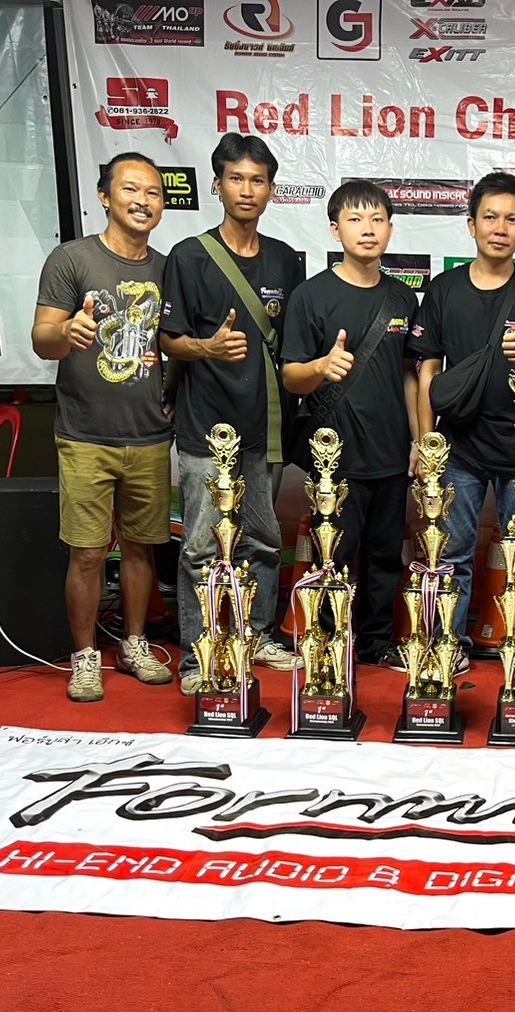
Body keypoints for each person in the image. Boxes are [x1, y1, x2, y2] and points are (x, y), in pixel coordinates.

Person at [161, 133, 306, 695]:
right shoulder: (190, 256)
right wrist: (208, 348)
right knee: (201, 547)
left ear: (271, 189)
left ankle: (259, 636)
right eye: (237, 179)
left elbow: (293, 344)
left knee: (264, 540)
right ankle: (198, 656)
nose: (247, 190)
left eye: (258, 180)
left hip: (266, 426)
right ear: (218, 186)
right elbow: (169, 338)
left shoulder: (285, 260)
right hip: (205, 426)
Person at [409, 172, 515, 669]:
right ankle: (448, 648)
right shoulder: (443, 289)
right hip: (458, 448)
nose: (500, 228)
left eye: (512, 220)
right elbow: (427, 370)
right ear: (471, 224)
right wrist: (425, 445)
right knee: (452, 553)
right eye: (491, 217)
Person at [31, 152, 174, 702]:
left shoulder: (168, 269)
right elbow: (42, 340)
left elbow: (178, 345)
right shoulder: (72, 260)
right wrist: (67, 331)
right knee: (89, 553)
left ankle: (135, 644)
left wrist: (175, 397)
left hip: (150, 437)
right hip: (85, 436)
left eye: (154, 192)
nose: (143, 201)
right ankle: (86, 656)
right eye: (131, 189)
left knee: (141, 548)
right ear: (104, 196)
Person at [281, 180, 419, 667]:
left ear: (390, 229)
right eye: (356, 219)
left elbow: (410, 375)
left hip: (391, 454)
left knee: (385, 556)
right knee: (332, 556)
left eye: (377, 219)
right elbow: (291, 376)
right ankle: (327, 644)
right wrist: (321, 367)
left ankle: (377, 643)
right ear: (335, 229)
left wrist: (418, 441)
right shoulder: (310, 296)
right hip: (333, 458)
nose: (368, 229)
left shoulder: (404, 299)